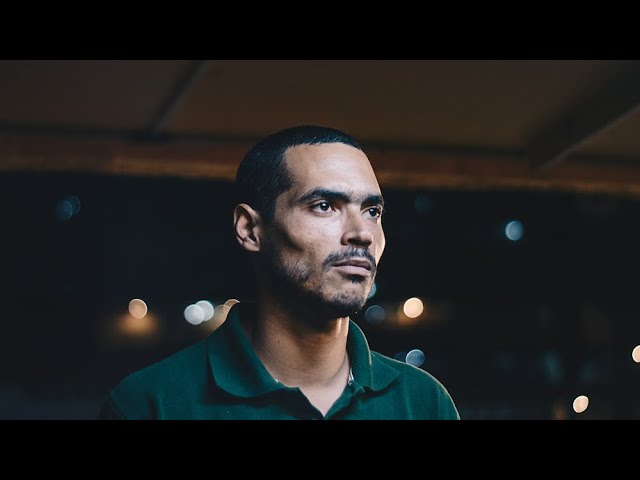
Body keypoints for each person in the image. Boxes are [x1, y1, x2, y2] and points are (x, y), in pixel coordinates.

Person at [98, 125, 460, 420]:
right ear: (250, 229)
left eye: (372, 211)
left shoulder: (423, 402)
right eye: (325, 206)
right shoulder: (150, 404)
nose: (362, 233)